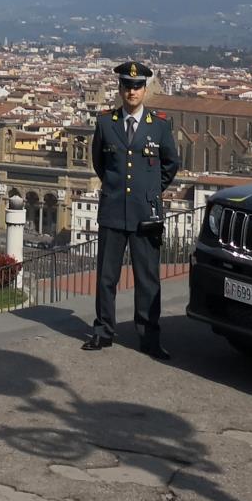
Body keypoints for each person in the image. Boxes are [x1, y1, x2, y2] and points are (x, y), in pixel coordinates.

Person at [83, 60, 180, 359]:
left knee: (147, 278)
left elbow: (171, 164)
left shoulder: (159, 125)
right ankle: (103, 331)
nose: (132, 91)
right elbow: (100, 163)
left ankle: (150, 337)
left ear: (144, 89)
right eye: (127, 85)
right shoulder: (105, 123)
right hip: (113, 210)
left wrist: (150, 191)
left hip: (145, 213)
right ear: (120, 88)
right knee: (106, 277)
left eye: (137, 86)